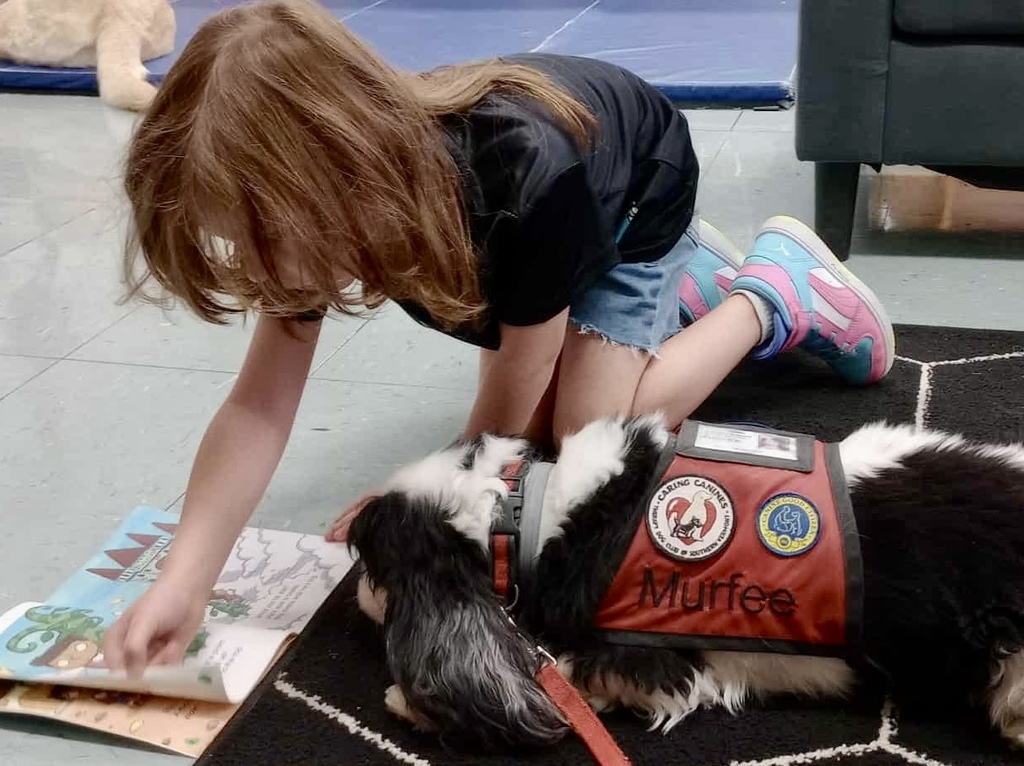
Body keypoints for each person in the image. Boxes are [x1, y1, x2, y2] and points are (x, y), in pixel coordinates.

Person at [101, 0, 895, 675]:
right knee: (536, 408)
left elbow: (512, 399)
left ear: (340, 174)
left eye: (263, 240)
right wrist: (185, 577)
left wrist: (418, 498)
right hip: (533, 249)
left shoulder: (520, 174)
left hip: (636, 190)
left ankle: (771, 293)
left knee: (585, 440)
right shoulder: (330, 205)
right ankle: (680, 294)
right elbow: (258, 405)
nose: (260, 268)